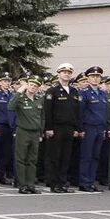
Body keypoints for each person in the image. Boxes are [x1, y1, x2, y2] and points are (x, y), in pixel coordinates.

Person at [42, 63, 80, 193]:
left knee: (66, 157)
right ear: (58, 74)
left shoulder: (74, 91)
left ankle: (63, 182)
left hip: (69, 128)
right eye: (64, 72)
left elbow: (76, 112)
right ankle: (54, 183)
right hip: (56, 128)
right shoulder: (52, 91)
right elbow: (47, 111)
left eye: (69, 72)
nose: (66, 74)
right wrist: (48, 128)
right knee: (55, 156)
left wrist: (76, 128)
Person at [9, 74, 45, 194]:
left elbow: (42, 117)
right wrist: (19, 92)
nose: (33, 87)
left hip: (35, 133)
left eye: (35, 86)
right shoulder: (20, 98)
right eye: (31, 85)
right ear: (27, 85)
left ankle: (30, 184)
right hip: (23, 131)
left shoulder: (39, 99)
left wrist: (41, 133)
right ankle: (22, 185)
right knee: (21, 159)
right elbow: (10, 107)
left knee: (32, 160)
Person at [77, 66, 110, 192]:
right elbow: (80, 113)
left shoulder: (103, 94)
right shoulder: (84, 93)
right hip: (88, 127)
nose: (95, 78)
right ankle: (84, 182)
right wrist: (81, 129)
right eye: (92, 76)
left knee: (96, 156)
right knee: (86, 156)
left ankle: (91, 181)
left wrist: (105, 128)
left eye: (98, 76)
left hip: (100, 128)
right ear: (88, 78)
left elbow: (105, 112)